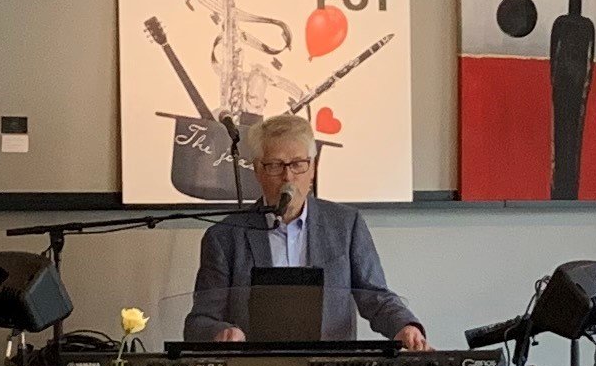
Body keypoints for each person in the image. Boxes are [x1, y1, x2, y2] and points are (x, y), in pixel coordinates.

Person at [180, 111, 427, 349]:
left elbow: (375, 297)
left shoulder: (345, 225)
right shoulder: (225, 236)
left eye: (298, 164)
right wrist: (221, 332)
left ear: (313, 168)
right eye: (275, 165)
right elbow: (199, 322)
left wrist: (405, 326)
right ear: (257, 170)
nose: (288, 176)